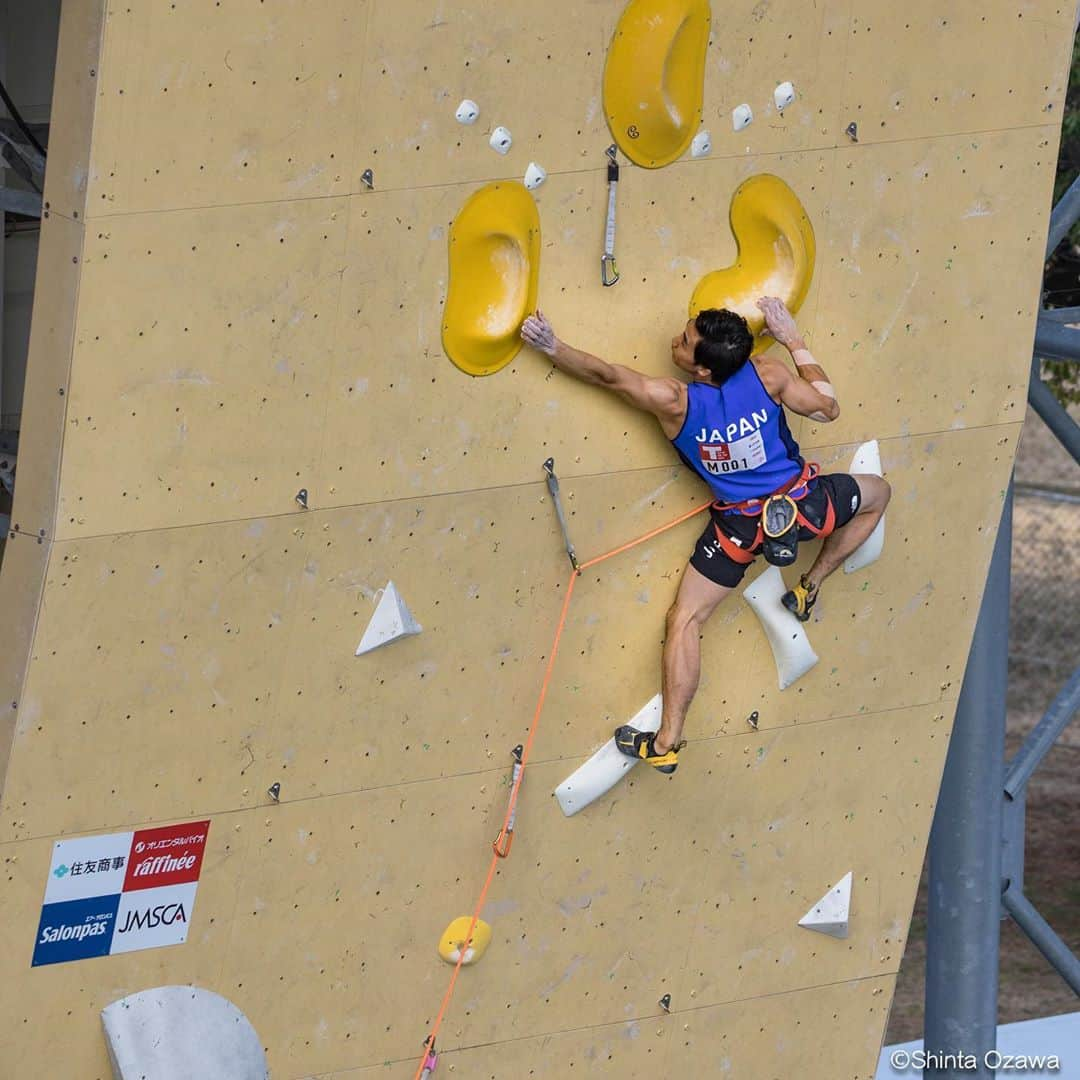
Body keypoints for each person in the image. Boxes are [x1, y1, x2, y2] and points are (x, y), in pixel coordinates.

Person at [519, 298, 890, 775]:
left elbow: (608, 377)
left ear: (704, 370)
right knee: (878, 495)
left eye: (685, 341)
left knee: (686, 619)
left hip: (738, 527)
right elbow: (827, 407)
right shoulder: (768, 375)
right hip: (804, 503)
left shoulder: (676, 402)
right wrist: (794, 338)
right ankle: (809, 584)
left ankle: (667, 742)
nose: (676, 338)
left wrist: (552, 346)